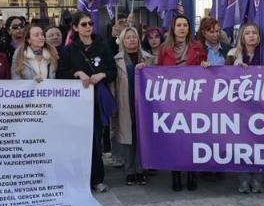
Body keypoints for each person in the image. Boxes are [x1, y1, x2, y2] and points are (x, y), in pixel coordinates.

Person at [58, 12, 117, 193]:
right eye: (83, 24)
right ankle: (79, 178)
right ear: (75, 28)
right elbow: (61, 74)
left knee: (95, 140)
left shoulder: (102, 45)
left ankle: (97, 179)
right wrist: (77, 73)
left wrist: (103, 74)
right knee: (77, 141)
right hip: (76, 104)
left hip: (96, 101)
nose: (88, 27)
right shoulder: (69, 49)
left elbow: (112, 70)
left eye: (90, 23)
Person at [155, 16, 205, 192]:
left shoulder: (198, 47)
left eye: (185, 25)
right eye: (179, 25)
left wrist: (205, 65)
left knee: (192, 136)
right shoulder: (163, 49)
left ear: (189, 28)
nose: (182, 28)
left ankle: (192, 174)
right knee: (174, 137)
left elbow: (204, 71)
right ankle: (175, 174)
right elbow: (157, 73)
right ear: (173, 28)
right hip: (171, 99)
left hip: (192, 98)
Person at [228, 22, 264, 193]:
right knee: (242, 144)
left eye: (254, 33)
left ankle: (257, 179)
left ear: (259, 37)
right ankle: (243, 179)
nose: (251, 35)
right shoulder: (232, 54)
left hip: (262, 106)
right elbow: (223, 78)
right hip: (240, 107)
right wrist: (234, 69)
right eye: (247, 33)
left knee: (259, 144)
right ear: (242, 37)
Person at [112, 26, 153, 186]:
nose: (131, 40)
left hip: (144, 104)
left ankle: (141, 169)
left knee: (142, 137)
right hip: (125, 102)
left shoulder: (149, 58)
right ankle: (130, 171)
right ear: (122, 40)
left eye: (134, 37)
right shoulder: (117, 59)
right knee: (128, 138)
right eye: (128, 37)